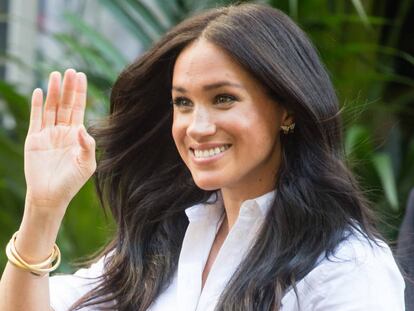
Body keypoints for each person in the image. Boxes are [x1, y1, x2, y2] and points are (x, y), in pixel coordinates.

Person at [0, 3, 405, 311]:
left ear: (287, 108)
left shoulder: (347, 265)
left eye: (223, 98)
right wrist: (44, 207)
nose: (197, 126)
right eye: (183, 102)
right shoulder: (164, 240)